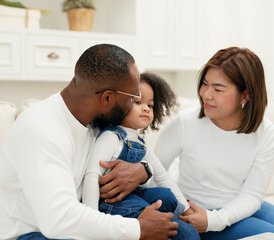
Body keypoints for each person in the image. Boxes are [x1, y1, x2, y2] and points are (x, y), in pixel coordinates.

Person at [0, 44, 180, 240]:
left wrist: (143, 170)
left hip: (68, 225)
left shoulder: (95, 123)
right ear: (107, 98)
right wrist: (139, 228)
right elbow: (59, 220)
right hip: (30, 235)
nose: (133, 105)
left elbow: (131, 154)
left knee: (167, 207)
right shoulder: (42, 129)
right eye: (132, 97)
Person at [153, 47, 274, 240]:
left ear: (245, 95)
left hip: (237, 207)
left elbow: (253, 195)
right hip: (197, 211)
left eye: (218, 89)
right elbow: (154, 172)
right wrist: (188, 211)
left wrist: (215, 219)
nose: (206, 94)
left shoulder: (266, 132)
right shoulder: (185, 123)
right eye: (205, 84)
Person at [82, 72, 200, 240]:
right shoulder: (112, 137)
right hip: (111, 205)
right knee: (189, 235)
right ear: (118, 104)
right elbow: (92, 175)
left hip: (133, 198)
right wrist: (92, 220)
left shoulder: (141, 143)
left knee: (167, 196)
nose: (146, 108)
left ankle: (167, 221)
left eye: (150, 105)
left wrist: (186, 211)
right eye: (138, 102)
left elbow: (162, 176)